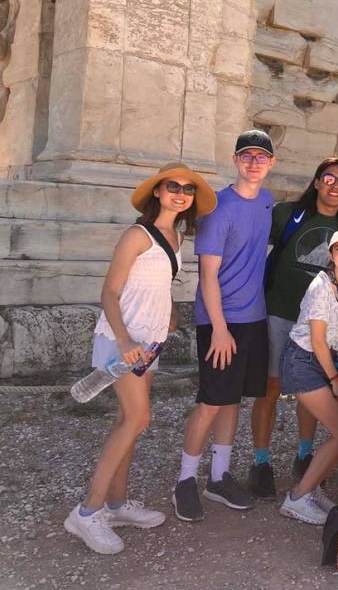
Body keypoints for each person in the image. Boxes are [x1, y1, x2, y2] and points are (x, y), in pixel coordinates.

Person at [65, 163, 217, 554]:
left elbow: (156, 285)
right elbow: (109, 293)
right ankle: (86, 512)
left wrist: (168, 316)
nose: (180, 193)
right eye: (173, 186)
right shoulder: (136, 235)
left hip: (149, 344)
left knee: (127, 421)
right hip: (123, 343)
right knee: (138, 418)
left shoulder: (176, 237)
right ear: (158, 192)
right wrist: (124, 339)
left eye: (187, 189)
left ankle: (116, 504)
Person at [172, 129, 275, 522]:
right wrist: (218, 328)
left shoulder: (267, 202)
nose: (253, 162)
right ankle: (184, 480)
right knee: (212, 401)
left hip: (254, 318)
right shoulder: (216, 207)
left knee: (233, 399)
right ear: (235, 161)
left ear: (271, 163)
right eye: (246, 156)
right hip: (221, 321)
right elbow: (208, 275)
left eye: (261, 157)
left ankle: (219, 476)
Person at [248, 156, 338, 500]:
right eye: (329, 177)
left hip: (319, 323)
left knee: (311, 391)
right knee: (270, 387)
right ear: (316, 180)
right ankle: (261, 462)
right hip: (280, 313)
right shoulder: (287, 215)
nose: (335, 185)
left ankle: (304, 454)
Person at [278, 229, 338, 524]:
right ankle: (299, 497)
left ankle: (310, 488)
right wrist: (337, 383)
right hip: (304, 361)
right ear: (330, 255)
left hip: (332, 361)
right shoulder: (321, 286)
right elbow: (317, 340)